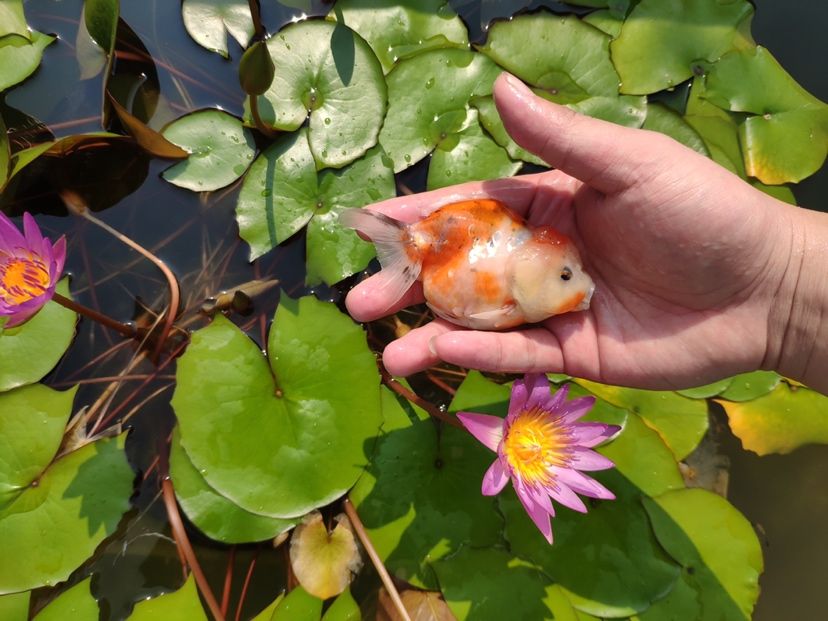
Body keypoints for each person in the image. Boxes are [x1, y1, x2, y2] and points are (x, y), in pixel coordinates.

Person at [346, 73, 828, 395]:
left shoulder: (525, 281)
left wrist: (778, 279)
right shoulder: (504, 280)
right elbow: (466, 304)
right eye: (565, 276)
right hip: (450, 250)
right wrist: (779, 286)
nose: (583, 289)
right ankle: (400, 246)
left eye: (567, 275)